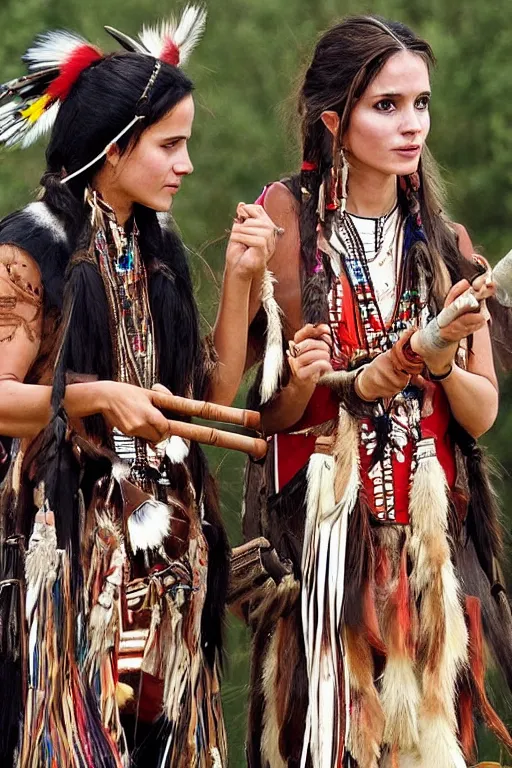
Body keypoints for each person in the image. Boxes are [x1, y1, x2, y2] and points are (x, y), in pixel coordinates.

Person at [0, 7, 276, 767]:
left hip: (161, 569)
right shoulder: (31, 248)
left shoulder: (152, 245)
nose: (186, 164)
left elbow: (204, 392)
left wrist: (243, 285)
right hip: (65, 567)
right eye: (170, 145)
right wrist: (92, 396)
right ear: (113, 150)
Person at [238, 15, 512, 768]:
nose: (411, 124)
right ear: (334, 119)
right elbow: (267, 413)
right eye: (386, 105)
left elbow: (481, 414)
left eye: (420, 103)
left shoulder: (444, 242)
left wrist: (444, 357)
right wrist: (305, 378)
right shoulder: (287, 222)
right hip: (327, 550)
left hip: (426, 554)